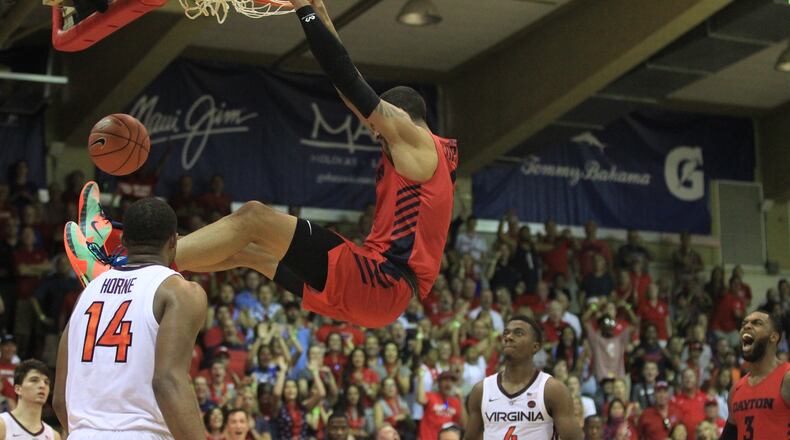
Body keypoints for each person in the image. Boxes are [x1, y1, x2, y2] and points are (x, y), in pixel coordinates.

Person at [53, 198, 208, 439]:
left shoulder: (87, 292)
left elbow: (60, 400)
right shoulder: (180, 291)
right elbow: (168, 382)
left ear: (124, 241)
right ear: (173, 241)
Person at [466, 315, 582, 440]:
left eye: (518, 333)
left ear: (535, 347)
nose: (509, 337)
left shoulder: (552, 390)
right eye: (506, 333)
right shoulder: (482, 390)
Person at [720, 309, 790, 440]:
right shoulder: (736, 390)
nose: (746, 326)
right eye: (744, 324)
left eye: (757, 323)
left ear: (774, 337)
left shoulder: (786, 378)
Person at [0, 359, 59, 439]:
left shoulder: (53, 436)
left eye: (46, 382)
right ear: (18, 389)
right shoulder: (3, 424)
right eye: (34, 380)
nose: (42, 385)